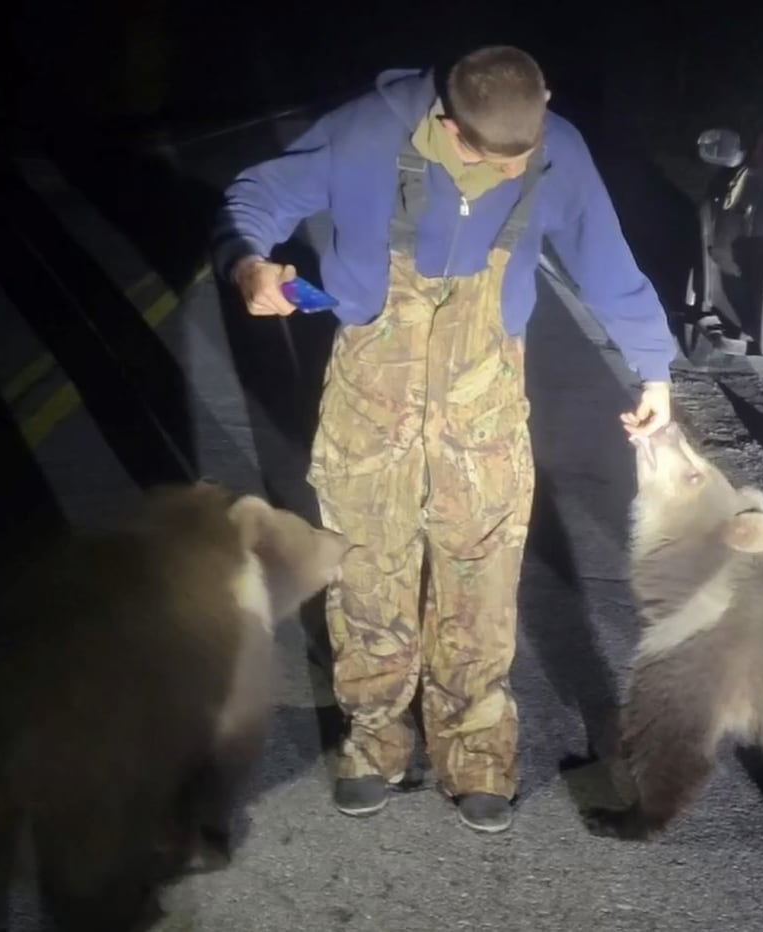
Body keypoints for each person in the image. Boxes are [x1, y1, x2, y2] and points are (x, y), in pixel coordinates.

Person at [212, 45, 677, 835]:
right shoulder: (364, 131)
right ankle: (373, 745)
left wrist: (655, 371)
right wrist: (248, 262)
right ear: (447, 122)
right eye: (484, 156)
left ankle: (477, 756)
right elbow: (258, 193)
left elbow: (605, 258)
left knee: (482, 578)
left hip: (485, 396)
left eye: (518, 160)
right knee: (365, 570)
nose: (504, 173)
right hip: (371, 388)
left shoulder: (557, 146)